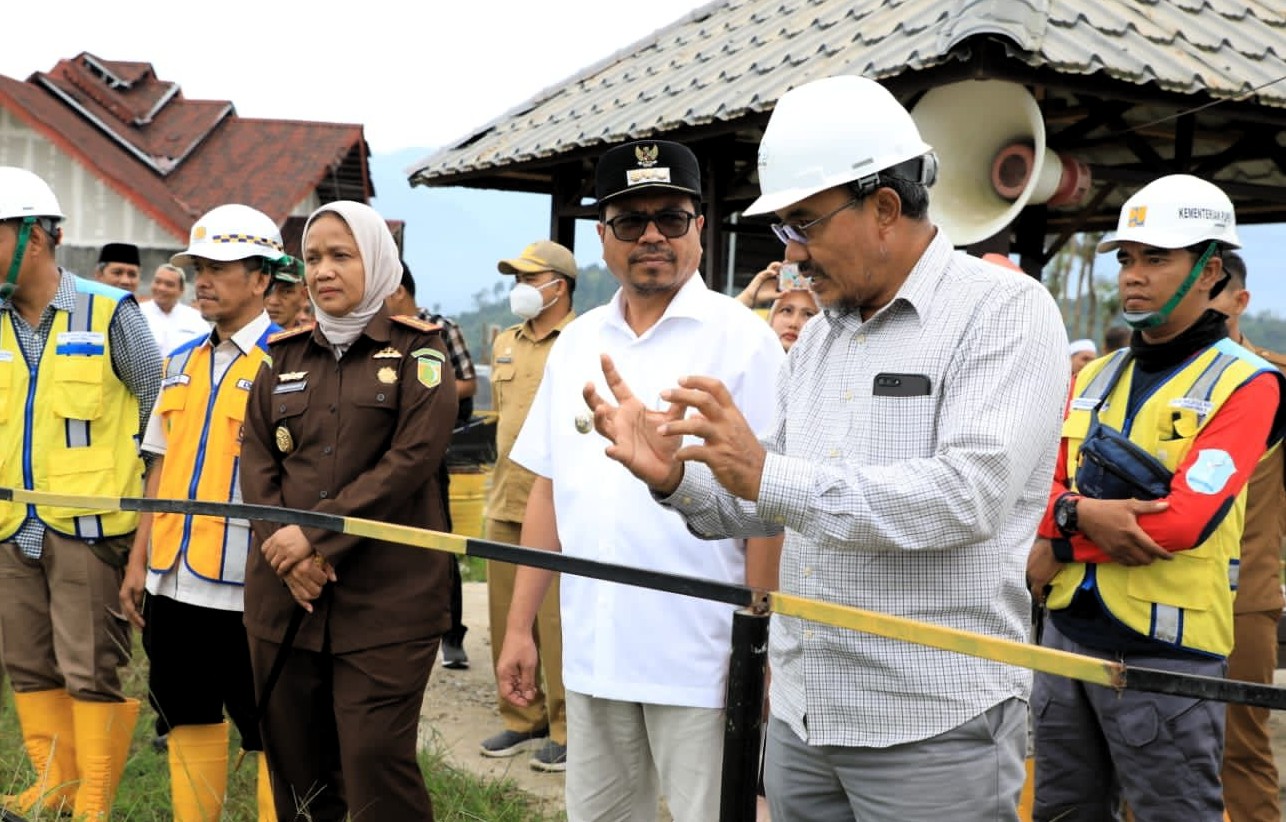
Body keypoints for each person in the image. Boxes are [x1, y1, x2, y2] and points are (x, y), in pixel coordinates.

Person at [583, 77, 1069, 822]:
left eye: (804, 223)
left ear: (883, 207)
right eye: (783, 229)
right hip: (807, 718)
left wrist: (767, 474)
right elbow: (766, 496)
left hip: (931, 725)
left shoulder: (1003, 312)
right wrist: (677, 479)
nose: (794, 253)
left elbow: (968, 496)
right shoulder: (820, 340)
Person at [495, 139, 784, 822]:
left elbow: (771, 503)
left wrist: (761, 641)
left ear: (699, 228)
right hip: (596, 654)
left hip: (703, 656)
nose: (652, 235)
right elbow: (549, 490)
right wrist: (517, 629)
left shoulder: (744, 341)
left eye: (670, 218)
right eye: (631, 221)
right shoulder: (577, 344)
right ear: (603, 239)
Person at [1025, 175, 1285, 822]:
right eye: (1126, 258)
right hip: (1065, 640)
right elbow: (1040, 487)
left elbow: (1173, 527)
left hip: (1166, 656)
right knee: (1060, 812)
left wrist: (1057, 530)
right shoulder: (1094, 374)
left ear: (1210, 271)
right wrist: (1074, 514)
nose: (1134, 276)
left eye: (1156, 258)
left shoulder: (1249, 384)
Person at [240, 200, 457, 821]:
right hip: (286, 599)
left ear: (380, 262)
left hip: (387, 601)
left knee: (373, 769)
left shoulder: (422, 356)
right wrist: (285, 551)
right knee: (297, 774)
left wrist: (315, 538)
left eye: (342, 255)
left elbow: (408, 463)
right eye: (312, 258)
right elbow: (256, 461)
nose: (323, 270)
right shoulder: (281, 358)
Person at [0, 167, 161, 820]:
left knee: (90, 669)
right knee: (29, 664)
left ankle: (91, 804)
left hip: (91, 532)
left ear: (34, 237)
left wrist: (151, 530)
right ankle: (54, 790)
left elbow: (159, 410)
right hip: (12, 528)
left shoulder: (108, 311)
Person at [119, 204, 287, 822]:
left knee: (270, 725)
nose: (203, 280)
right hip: (172, 576)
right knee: (184, 712)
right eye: (198, 268)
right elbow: (157, 468)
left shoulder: (288, 363)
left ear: (263, 278)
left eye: (219, 267)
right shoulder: (182, 360)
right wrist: (139, 564)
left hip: (253, 585)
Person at [479, 239, 577, 772]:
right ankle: (522, 717)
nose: (519, 288)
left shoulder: (580, 340)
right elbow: (502, 419)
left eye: (528, 277)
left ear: (557, 286)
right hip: (504, 499)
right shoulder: (505, 344)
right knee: (506, 619)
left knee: (555, 620)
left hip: (556, 506)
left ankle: (565, 726)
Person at [1209, 251, 1286, 822]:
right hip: (1147, 605)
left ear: (1240, 302)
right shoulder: (1135, 378)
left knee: (1240, 749)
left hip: (1244, 604)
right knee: (1144, 752)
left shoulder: (1275, 385)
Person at [385, 262, 476, 669]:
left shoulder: (438, 329)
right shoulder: (373, 336)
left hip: (429, 454)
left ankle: (451, 635)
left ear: (398, 291)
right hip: (382, 456)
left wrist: (417, 391)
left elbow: (468, 382)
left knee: (439, 542)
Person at [140, 262, 210, 355]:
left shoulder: (196, 319)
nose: (161, 288)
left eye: (169, 284)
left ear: (181, 290)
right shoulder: (137, 313)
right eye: (157, 282)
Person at [263, 260, 311, 329]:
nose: (273, 302)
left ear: (303, 296)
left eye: (286, 292)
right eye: (267, 290)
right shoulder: (244, 337)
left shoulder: (315, 338)